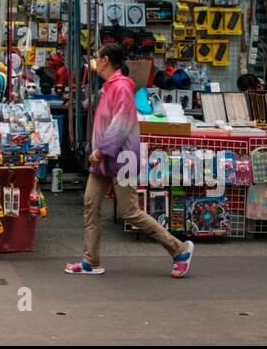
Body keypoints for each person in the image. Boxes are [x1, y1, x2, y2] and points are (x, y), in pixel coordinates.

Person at [66, 42, 195, 278]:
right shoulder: (110, 86)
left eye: (97, 56)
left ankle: (179, 250)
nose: (94, 60)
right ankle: (90, 260)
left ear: (105, 60)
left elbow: (120, 126)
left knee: (129, 211)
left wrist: (101, 151)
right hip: (103, 160)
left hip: (121, 158)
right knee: (90, 204)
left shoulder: (121, 87)